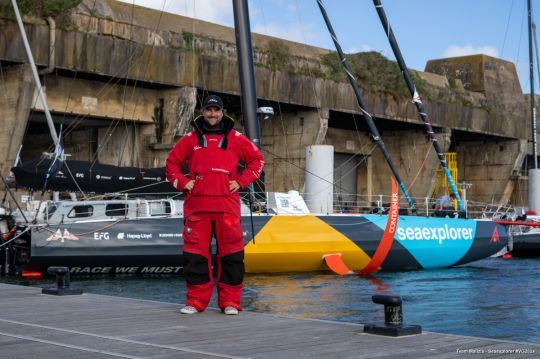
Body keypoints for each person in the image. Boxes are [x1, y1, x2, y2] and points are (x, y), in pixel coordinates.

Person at [166, 95, 264, 315]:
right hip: (197, 209)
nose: (212, 114)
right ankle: (195, 302)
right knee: (195, 257)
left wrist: (240, 181)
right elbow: (171, 163)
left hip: (226, 209)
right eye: (209, 110)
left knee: (232, 257)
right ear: (203, 111)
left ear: (222, 112)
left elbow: (257, 161)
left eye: (216, 110)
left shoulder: (237, 138)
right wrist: (183, 182)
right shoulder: (190, 139)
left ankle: (230, 303)